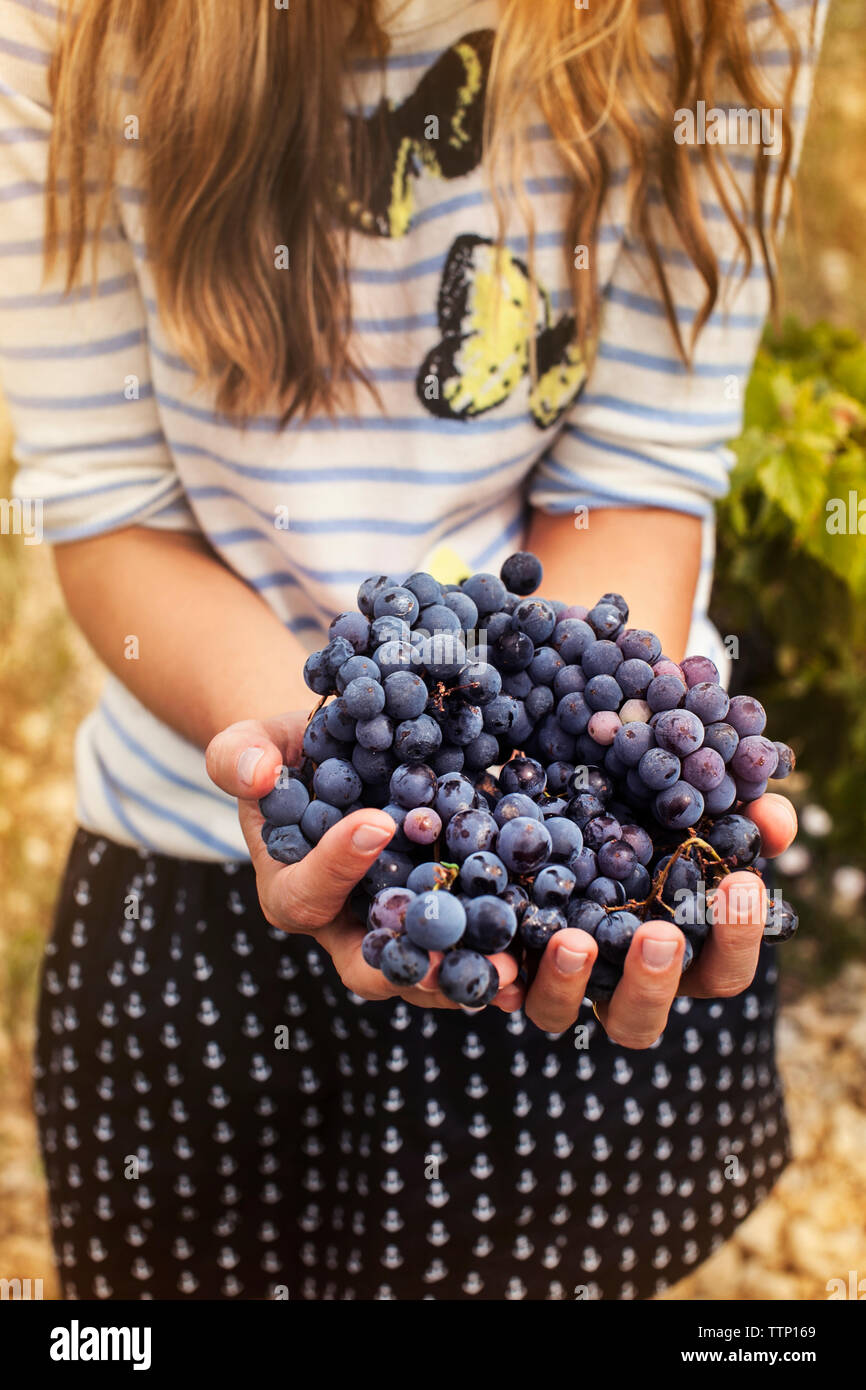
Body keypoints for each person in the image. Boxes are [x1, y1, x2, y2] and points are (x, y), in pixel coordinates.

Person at [0, 0, 825, 1301]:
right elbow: (104, 507)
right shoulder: (73, 22)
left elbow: (637, 476)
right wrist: (311, 779)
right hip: (201, 862)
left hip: (575, 899)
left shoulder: (719, 17)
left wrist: (568, 780)